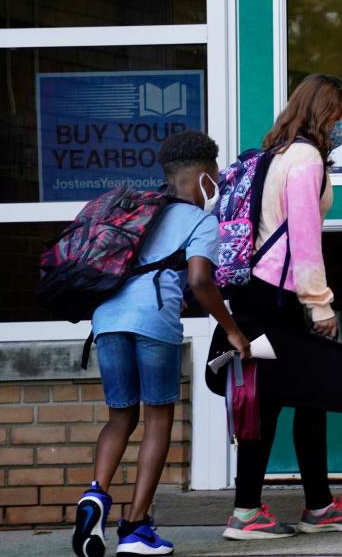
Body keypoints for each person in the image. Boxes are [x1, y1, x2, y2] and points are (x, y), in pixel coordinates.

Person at [221, 74, 342, 541]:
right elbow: (304, 239)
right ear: (325, 113)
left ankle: (313, 503)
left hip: (257, 291)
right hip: (278, 296)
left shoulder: (275, 153)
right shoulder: (306, 160)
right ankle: (251, 511)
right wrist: (320, 305)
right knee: (282, 401)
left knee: (295, 398)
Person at [73, 130, 251, 557]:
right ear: (206, 176)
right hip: (153, 322)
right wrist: (231, 329)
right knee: (157, 418)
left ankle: (95, 495)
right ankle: (135, 528)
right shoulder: (200, 220)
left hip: (108, 320)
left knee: (120, 416)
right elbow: (200, 280)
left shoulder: (133, 208)